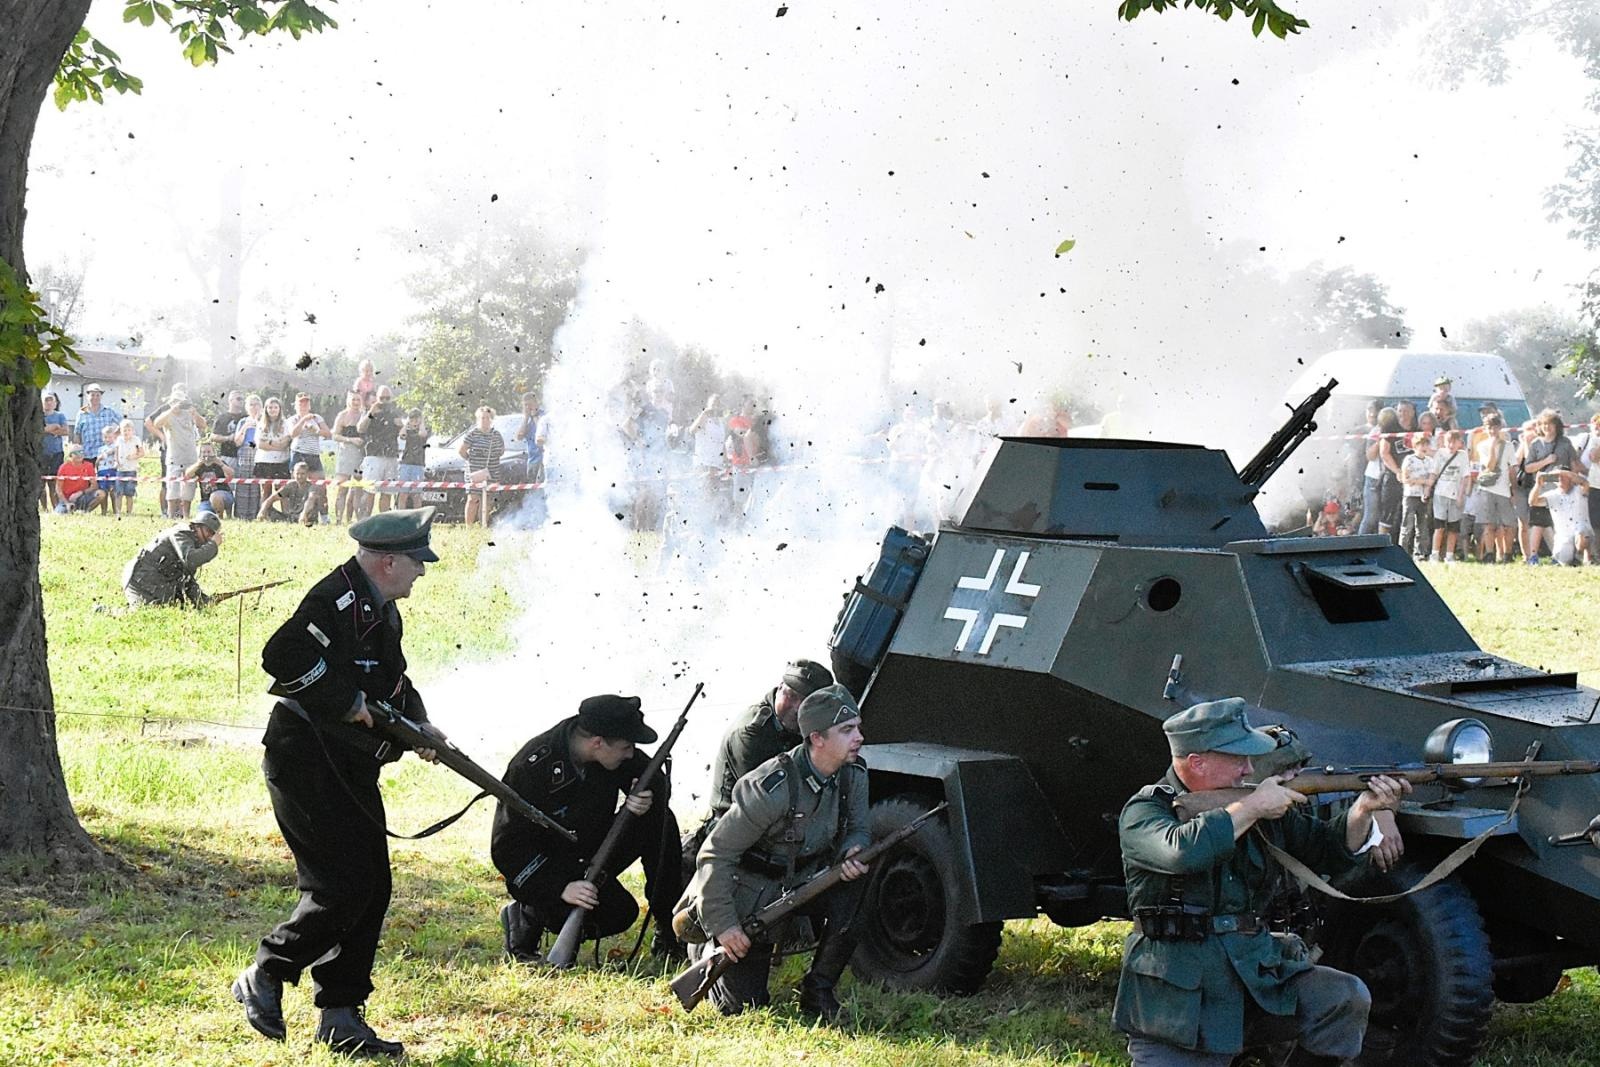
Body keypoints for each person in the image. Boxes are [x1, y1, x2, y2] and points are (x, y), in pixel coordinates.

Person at [233, 507, 448, 1059]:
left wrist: (418, 725)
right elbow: (281, 656)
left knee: (373, 886)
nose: (422, 572)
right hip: (304, 759)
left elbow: (391, 680)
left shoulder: (382, 610)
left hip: (347, 764)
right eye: (415, 562)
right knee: (341, 887)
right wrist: (345, 701)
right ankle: (267, 970)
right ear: (385, 561)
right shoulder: (334, 599)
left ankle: (340, 1014)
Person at [1114, 698, 1409, 1067]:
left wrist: (1363, 810)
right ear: (1197, 762)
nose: (1249, 768)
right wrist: (1252, 808)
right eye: (1238, 758)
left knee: (1342, 997)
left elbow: (1325, 850)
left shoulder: (1258, 805)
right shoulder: (1146, 811)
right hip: (1180, 999)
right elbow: (1182, 852)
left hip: (1254, 975)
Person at [673, 683, 871, 1020]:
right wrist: (725, 926)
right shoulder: (771, 787)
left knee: (857, 887)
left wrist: (855, 848)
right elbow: (716, 855)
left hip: (804, 881)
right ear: (817, 738)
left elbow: (859, 827)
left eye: (857, 728)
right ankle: (704, 945)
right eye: (847, 730)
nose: (859, 738)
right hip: (749, 893)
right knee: (743, 1006)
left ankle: (818, 991)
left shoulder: (852, 774)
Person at [491, 694, 685, 964]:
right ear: (597, 743)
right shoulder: (531, 767)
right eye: (627, 747)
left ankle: (669, 927)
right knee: (613, 913)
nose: (631, 754)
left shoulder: (608, 746)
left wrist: (645, 799)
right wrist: (560, 887)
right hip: (549, 866)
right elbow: (507, 848)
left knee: (661, 821)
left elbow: (652, 775)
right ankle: (528, 915)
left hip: (592, 850)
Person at [681, 659, 834, 873]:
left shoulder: (807, 727)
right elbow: (767, 801)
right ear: (779, 687)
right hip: (735, 830)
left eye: (808, 701)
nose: (798, 707)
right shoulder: (752, 734)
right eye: (792, 696)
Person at [122, 510, 224, 608]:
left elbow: (186, 578)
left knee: (180, 608)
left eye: (212, 534)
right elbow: (191, 560)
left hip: (158, 583)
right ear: (197, 526)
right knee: (147, 613)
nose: (210, 537)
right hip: (139, 582)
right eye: (208, 531)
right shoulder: (181, 534)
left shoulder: (193, 542)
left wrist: (203, 600)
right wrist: (213, 545)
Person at [153, 393, 209, 520]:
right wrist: (171, 411)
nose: (178, 405)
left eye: (180, 402)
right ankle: (171, 515)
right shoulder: (167, 415)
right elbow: (156, 423)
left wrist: (195, 414)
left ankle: (186, 516)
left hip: (190, 457)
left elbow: (204, 425)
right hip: (174, 458)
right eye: (175, 402)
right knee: (172, 489)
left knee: (189, 489)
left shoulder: (189, 413)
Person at [71, 382, 122, 506]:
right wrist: (76, 451)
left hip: (106, 455)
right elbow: (77, 433)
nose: (95, 397)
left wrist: (115, 437)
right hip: (87, 454)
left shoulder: (109, 411)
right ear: (87, 396)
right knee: (91, 483)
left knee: (108, 483)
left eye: (97, 395)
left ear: (101, 396)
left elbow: (123, 423)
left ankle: (114, 510)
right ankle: (92, 506)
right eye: (92, 395)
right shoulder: (81, 413)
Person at [1529, 470, 1591, 566]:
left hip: (1581, 532)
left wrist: (1563, 472)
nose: (1560, 478)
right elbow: (1532, 502)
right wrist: (1537, 485)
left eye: (1564, 476)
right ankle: (1570, 559)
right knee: (1563, 562)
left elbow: (1585, 483)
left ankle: (1580, 556)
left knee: (1582, 535)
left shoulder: (1579, 490)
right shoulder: (1552, 495)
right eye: (1558, 477)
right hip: (1564, 538)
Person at [1426, 429, 1469, 562]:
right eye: (1449, 442)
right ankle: (1435, 554)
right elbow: (1434, 472)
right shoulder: (1440, 454)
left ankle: (1449, 555)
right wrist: (1428, 489)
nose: (1451, 445)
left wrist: (1461, 496)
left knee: (1453, 527)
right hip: (1440, 493)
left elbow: (1464, 477)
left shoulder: (1462, 456)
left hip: (1454, 494)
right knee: (1439, 526)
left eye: (1454, 442)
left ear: (1459, 443)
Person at [357, 387, 401, 516]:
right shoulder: (370, 411)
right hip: (374, 455)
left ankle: (384, 521)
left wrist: (401, 425)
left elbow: (403, 429)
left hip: (391, 455)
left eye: (388, 398)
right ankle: (365, 519)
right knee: (369, 491)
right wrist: (371, 412)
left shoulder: (395, 411)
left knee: (387, 492)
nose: (385, 401)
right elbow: (360, 428)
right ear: (377, 398)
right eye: (382, 398)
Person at [459, 405, 504, 528]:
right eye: (482, 418)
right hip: (475, 471)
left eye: (487, 418)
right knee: (473, 499)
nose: (485, 420)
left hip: (492, 471)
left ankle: (483, 525)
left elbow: (501, 451)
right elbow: (462, 451)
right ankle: (469, 527)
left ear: (491, 419)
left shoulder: (496, 435)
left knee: (487, 500)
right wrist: (471, 460)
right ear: (478, 419)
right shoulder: (472, 434)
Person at [331, 391, 367, 523]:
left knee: (358, 488)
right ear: (348, 400)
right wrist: (350, 440)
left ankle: (359, 520)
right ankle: (339, 520)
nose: (356, 403)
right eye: (353, 400)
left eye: (358, 400)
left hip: (361, 457)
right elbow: (334, 435)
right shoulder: (342, 415)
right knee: (342, 488)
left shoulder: (365, 415)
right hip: (346, 455)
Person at [232, 394, 265, 522]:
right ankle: (241, 515)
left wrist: (257, 424)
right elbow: (237, 442)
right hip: (244, 456)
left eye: (256, 404)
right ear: (247, 407)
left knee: (256, 487)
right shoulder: (242, 421)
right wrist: (245, 427)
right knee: (243, 486)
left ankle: (254, 515)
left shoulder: (264, 420)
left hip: (258, 454)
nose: (254, 407)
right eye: (251, 404)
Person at [259, 461, 320, 525]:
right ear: (293, 474)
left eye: (302, 474)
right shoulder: (290, 485)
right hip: (291, 517)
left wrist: (304, 514)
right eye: (297, 474)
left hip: (307, 518)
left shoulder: (312, 487)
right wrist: (262, 510)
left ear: (307, 474)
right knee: (269, 510)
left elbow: (310, 500)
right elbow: (273, 497)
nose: (299, 476)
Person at [53, 443, 105, 514]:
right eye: (76, 453)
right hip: (67, 498)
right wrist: (67, 503)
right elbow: (58, 489)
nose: (79, 455)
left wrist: (80, 492)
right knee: (59, 513)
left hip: (83, 496)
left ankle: (86, 512)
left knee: (101, 494)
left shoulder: (89, 466)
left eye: (81, 452)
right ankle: (68, 508)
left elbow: (94, 486)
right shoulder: (63, 467)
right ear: (71, 455)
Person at [187, 442, 235, 516]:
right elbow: (188, 474)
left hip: (223, 495)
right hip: (206, 500)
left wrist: (220, 464)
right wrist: (198, 464)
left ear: (214, 453)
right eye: (204, 452)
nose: (207, 454)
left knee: (215, 496)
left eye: (209, 452)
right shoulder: (199, 466)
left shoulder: (220, 463)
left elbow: (231, 474)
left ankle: (220, 517)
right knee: (202, 516)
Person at [395, 409, 428, 510]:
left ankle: (417, 516)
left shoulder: (424, 429)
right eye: (412, 419)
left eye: (416, 419)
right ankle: (400, 514)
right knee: (403, 493)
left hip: (418, 465)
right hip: (406, 463)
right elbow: (402, 435)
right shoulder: (407, 431)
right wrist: (407, 424)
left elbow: (423, 434)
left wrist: (421, 423)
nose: (415, 421)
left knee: (416, 495)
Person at [40, 390, 69, 510]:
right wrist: (53, 428)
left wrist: (47, 430)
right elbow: (37, 431)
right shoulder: (39, 415)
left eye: (51, 399)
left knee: (53, 482)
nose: (48, 402)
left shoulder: (60, 416)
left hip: (56, 453)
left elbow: (65, 431)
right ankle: (44, 508)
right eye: (46, 399)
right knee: (41, 483)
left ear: (56, 402)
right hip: (41, 453)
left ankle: (55, 508)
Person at [111, 419, 146, 515]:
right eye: (124, 430)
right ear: (121, 431)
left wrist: (133, 457)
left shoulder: (136, 440)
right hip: (120, 469)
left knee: (129, 492)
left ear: (132, 431)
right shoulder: (119, 440)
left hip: (131, 469)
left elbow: (142, 453)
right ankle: (118, 512)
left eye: (128, 430)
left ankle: (129, 512)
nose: (126, 432)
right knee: (118, 492)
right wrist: (116, 461)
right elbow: (116, 451)